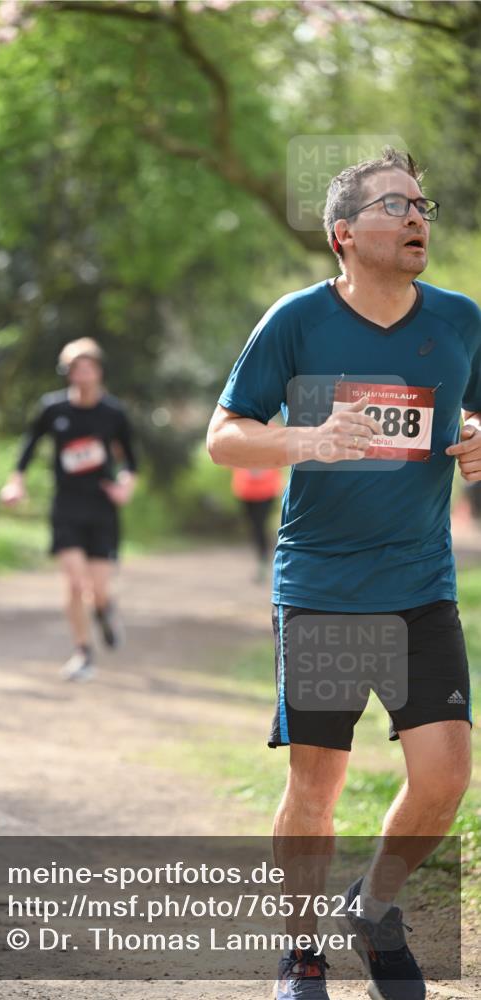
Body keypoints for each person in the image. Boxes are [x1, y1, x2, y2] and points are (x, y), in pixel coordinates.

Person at [207, 148, 481, 1000]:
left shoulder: (461, 319)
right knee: (315, 783)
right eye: (394, 206)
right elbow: (223, 434)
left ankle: (373, 909)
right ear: (342, 233)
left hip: (419, 585)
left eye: (420, 207)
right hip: (322, 588)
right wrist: (306, 440)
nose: (414, 219)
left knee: (443, 778)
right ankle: (299, 954)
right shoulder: (295, 321)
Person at [0, 338, 138, 681]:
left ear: (98, 370)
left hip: (102, 508)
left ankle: (106, 611)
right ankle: (83, 652)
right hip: (67, 507)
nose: (82, 374)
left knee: (99, 590)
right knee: (76, 584)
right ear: (67, 373)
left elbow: (131, 461)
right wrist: (16, 482)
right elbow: (27, 448)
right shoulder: (53, 410)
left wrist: (125, 488)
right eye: (75, 368)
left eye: (88, 367)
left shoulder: (113, 413)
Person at [230, 465, 282, 581]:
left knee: (259, 527)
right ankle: (262, 560)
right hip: (245, 491)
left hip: (266, 491)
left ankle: (263, 561)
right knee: (254, 528)